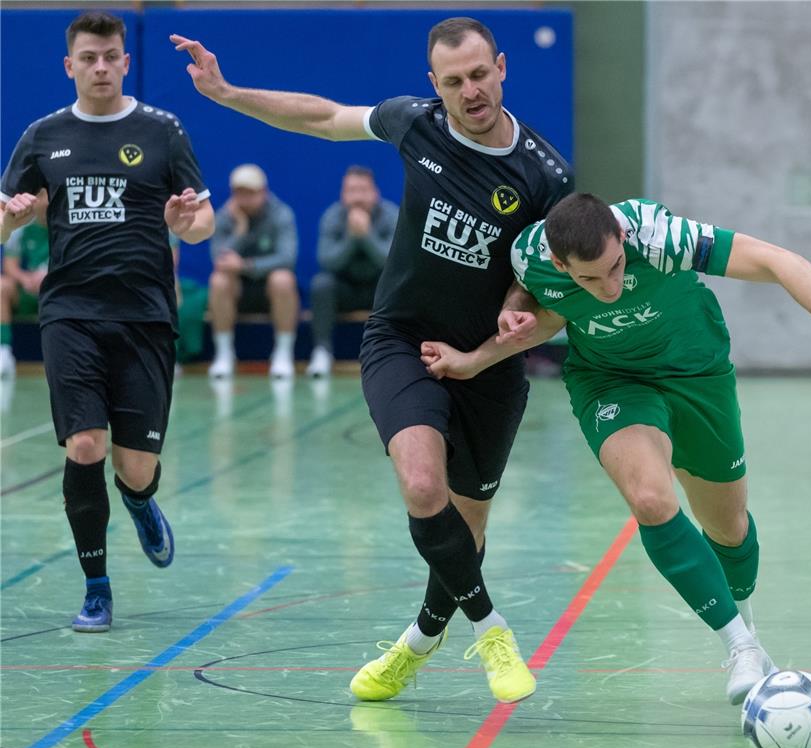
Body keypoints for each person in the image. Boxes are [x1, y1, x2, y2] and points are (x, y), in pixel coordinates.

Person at [172, 16, 572, 703]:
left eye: (479, 75)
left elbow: (541, 277)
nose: (469, 92)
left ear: (502, 67)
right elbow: (325, 116)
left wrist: (502, 322)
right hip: (402, 340)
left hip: (484, 361)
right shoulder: (414, 124)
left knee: (464, 533)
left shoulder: (544, 174)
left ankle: (416, 642)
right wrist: (227, 93)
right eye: (453, 81)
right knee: (422, 489)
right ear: (433, 84)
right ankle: (491, 628)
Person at [420, 193, 811, 704]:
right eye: (589, 278)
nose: (608, 288)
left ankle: (750, 633)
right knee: (652, 499)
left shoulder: (661, 238)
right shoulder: (530, 255)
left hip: (697, 373)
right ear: (559, 263)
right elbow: (545, 310)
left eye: (615, 267)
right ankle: (740, 646)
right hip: (611, 382)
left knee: (729, 527)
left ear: (623, 239)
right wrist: (482, 350)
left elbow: (777, 260)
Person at [0, 11, 214, 632]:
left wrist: (186, 225)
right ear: (70, 66)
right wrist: (13, 216)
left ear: (126, 62)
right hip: (69, 311)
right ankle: (97, 586)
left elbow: (204, 221)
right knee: (85, 446)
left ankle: (141, 500)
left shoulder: (163, 130)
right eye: (88, 57)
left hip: (145, 314)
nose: (100, 67)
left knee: (133, 467)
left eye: (110, 56)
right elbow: (2, 221)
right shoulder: (42, 136)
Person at [208, 163, 299, 379]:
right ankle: (224, 354)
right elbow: (218, 259)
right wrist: (239, 231)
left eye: (250, 193)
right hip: (237, 289)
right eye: (239, 193)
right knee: (219, 280)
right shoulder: (225, 216)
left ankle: (283, 353)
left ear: (263, 192)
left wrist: (247, 266)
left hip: (270, 289)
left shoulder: (281, 214)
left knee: (283, 279)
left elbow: (288, 258)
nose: (245, 199)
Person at [307, 165, 398, 378]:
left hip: (379, 288)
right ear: (343, 194)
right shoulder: (332, 216)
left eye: (363, 190)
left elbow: (393, 261)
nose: (357, 197)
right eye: (351, 191)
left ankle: (395, 353)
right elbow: (327, 260)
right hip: (345, 288)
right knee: (321, 284)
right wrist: (351, 237)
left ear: (375, 192)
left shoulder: (391, 215)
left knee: (403, 283)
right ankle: (322, 352)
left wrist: (367, 235)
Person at [0, 189, 50, 378]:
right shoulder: (19, 226)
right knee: (1, 286)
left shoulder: (66, 225)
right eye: (40, 199)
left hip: (58, 291)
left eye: (48, 199)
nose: (45, 204)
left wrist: (48, 276)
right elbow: (10, 265)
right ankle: (3, 354)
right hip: (28, 292)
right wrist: (26, 279)